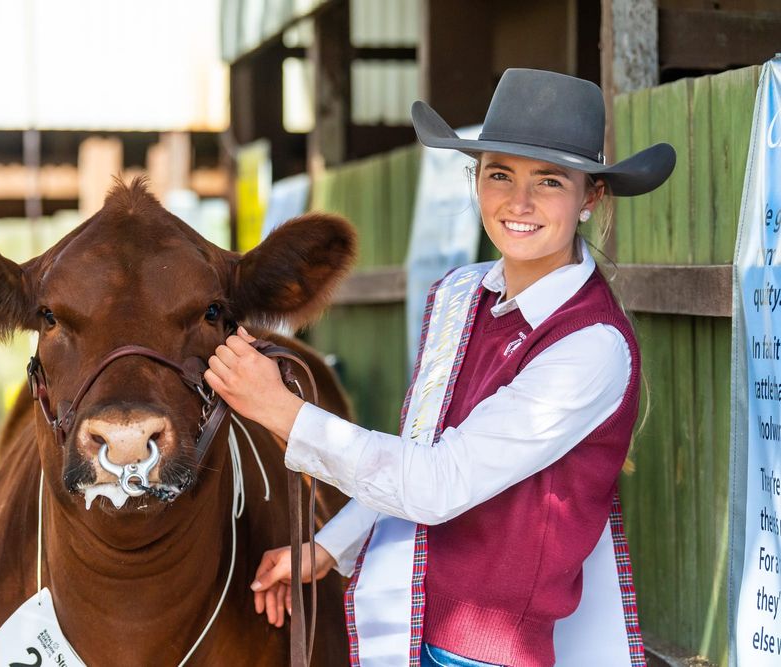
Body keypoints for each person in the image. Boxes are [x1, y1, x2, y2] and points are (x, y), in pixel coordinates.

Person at [205, 68, 675, 667]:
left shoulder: (591, 346)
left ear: (591, 197)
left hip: (490, 656)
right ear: (475, 181)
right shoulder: (463, 293)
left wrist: (283, 411)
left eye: (549, 181)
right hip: (409, 623)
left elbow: (437, 483)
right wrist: (329, 546)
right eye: (498, 173)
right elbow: (421, 446)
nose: (519, 201)